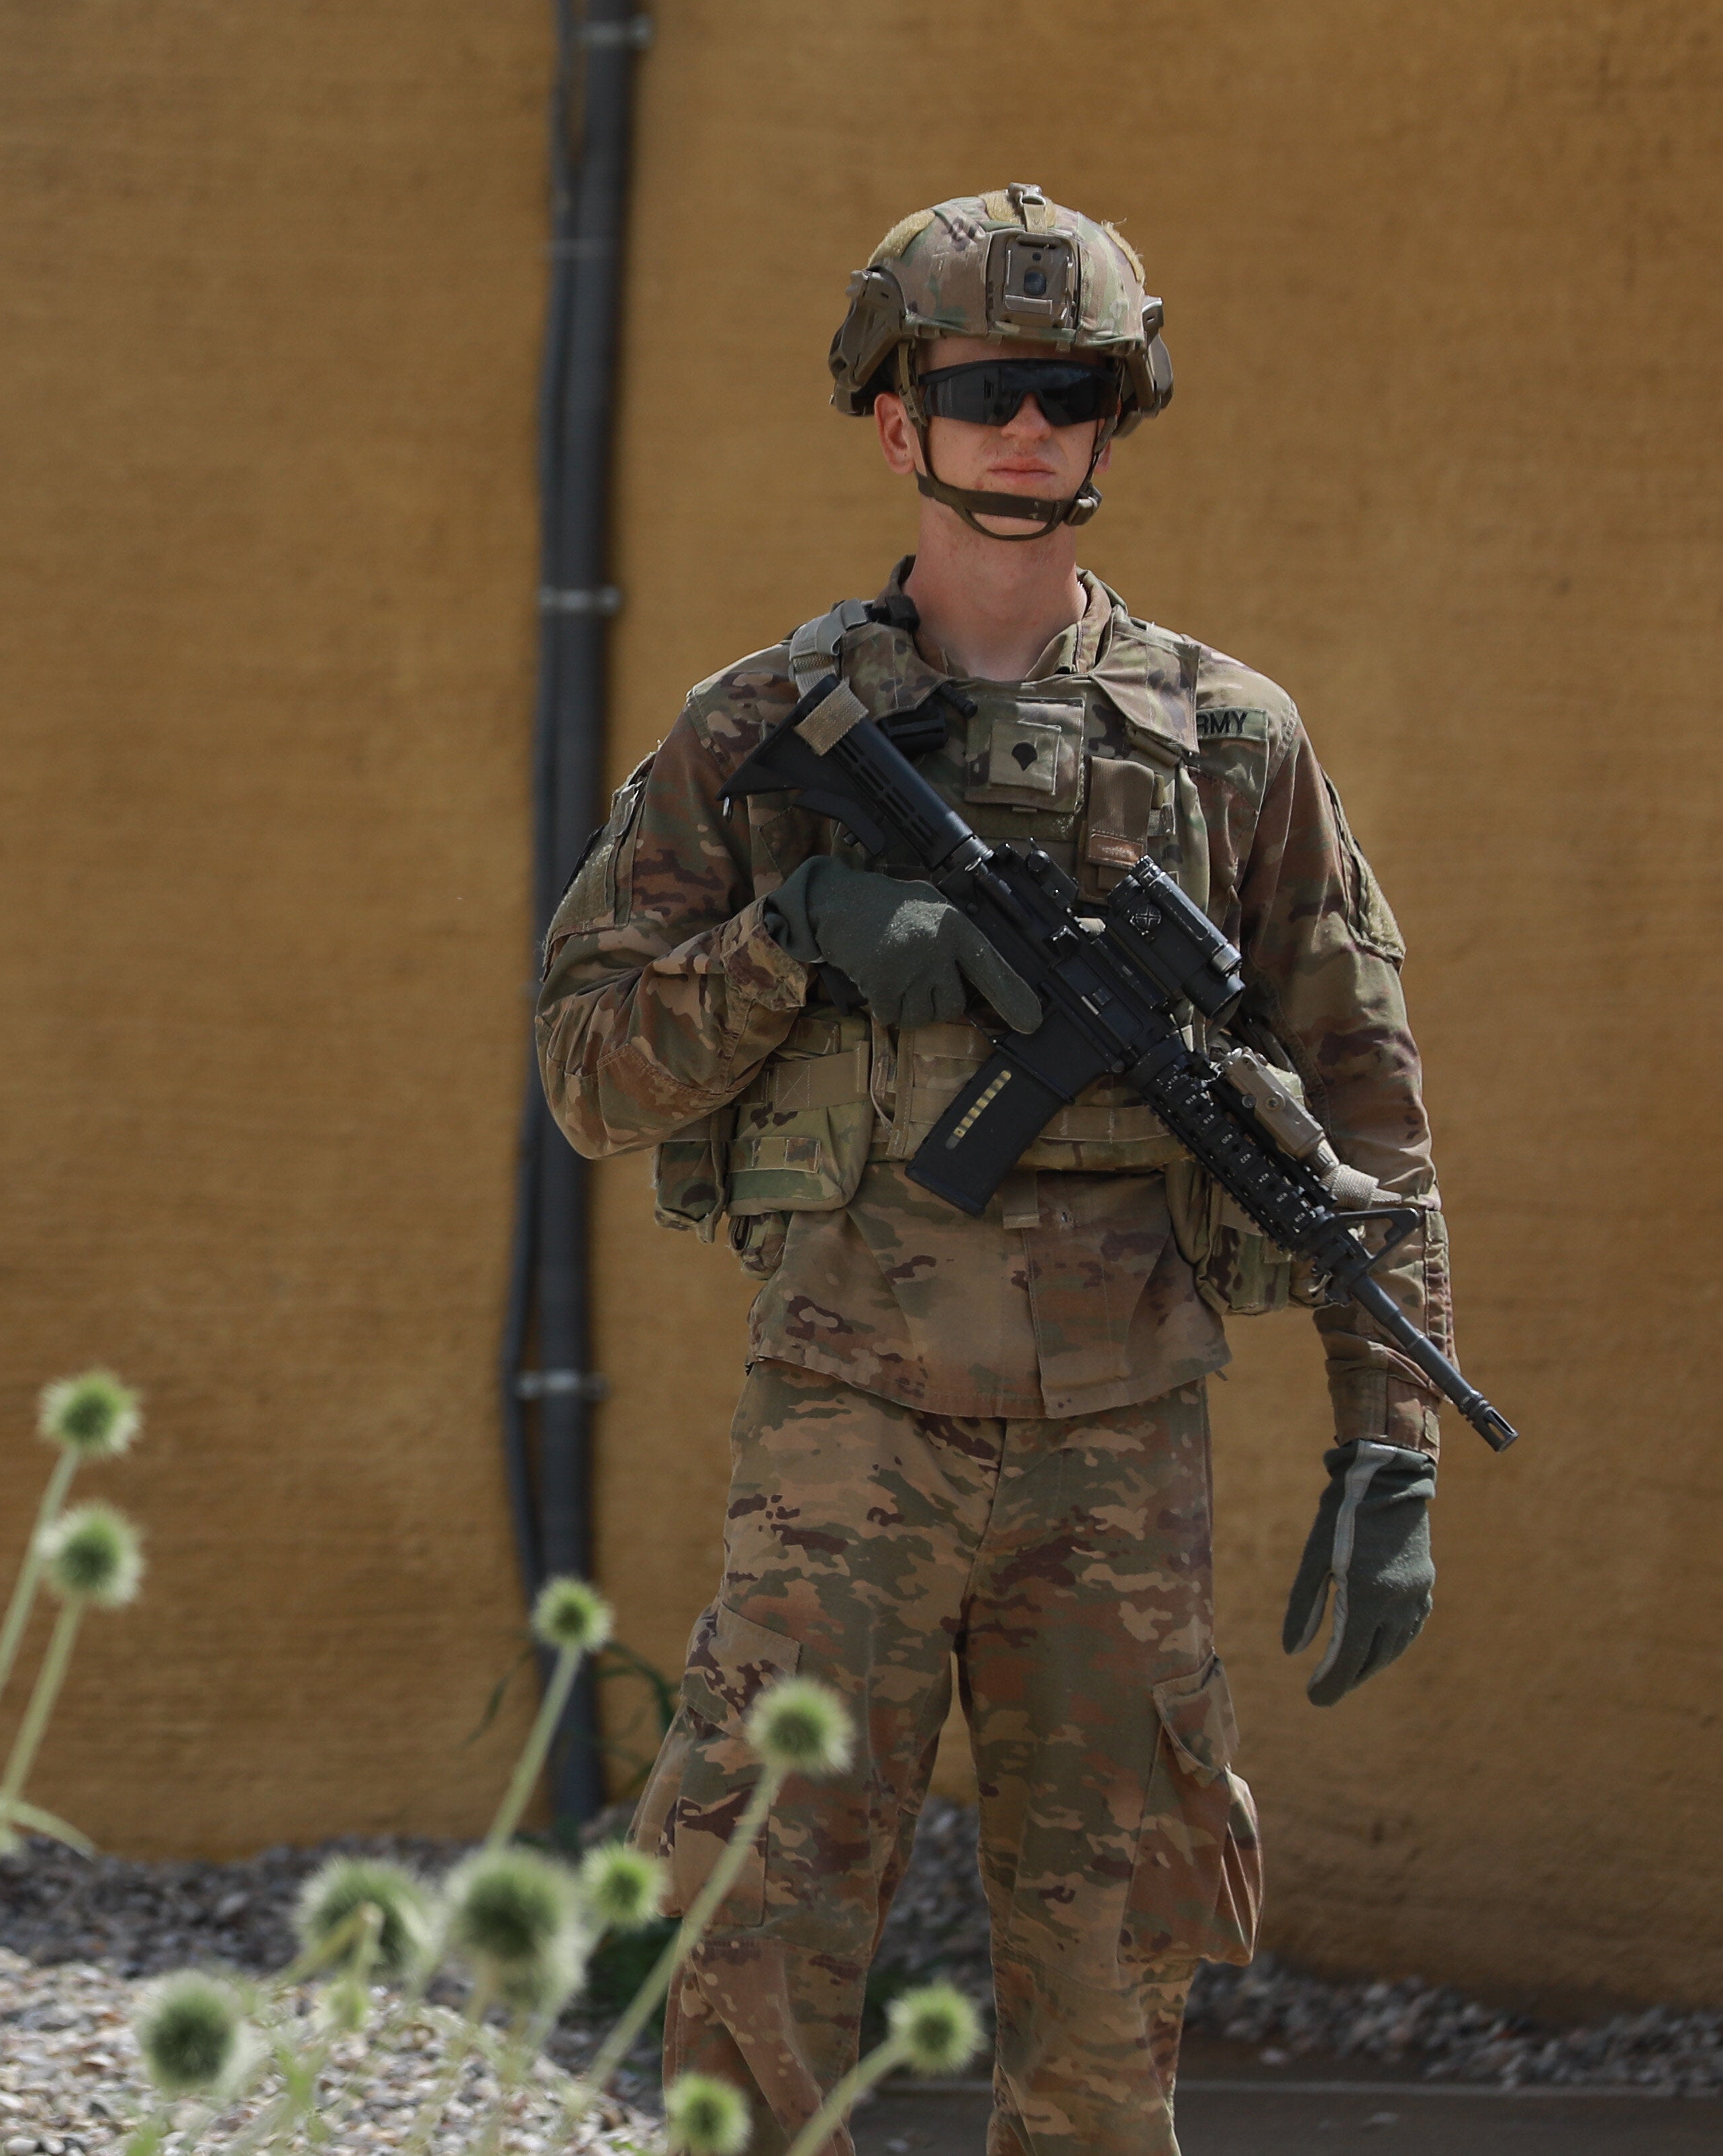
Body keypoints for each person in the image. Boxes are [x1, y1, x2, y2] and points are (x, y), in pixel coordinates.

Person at [535, 187, 1454, 2156]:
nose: (1030, 428)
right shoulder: (763, 735)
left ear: (1117, 418)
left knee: (1112, 2005)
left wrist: (1390, 1435)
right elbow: (590, 1075)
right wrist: (797, 939)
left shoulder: (1229, 743)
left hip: (1120, 1452)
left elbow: (1364, 1105)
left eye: (1072, 391)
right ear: (899, 422)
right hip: (843, 1436)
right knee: (758, 1964)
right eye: (983, 391)